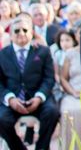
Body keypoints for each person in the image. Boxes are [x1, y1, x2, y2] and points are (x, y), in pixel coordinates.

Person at [0, 14, 59, 150]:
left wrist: (39, 97)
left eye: (25, 30)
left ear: (31, 32)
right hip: (13, 100)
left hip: (38, 98)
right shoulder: (2, 54)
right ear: (10, 34)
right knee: (1, 119)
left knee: (52, 112)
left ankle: (42, 148)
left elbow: (49, 78)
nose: (21, 33)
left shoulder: (43, 51)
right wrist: (10, 99)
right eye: (17, 30)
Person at [60, 26, 81, 148]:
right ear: (76, 36)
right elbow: (63, 78)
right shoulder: (70, 54)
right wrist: (73, 92)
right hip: (73, 91)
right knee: (69, 110)